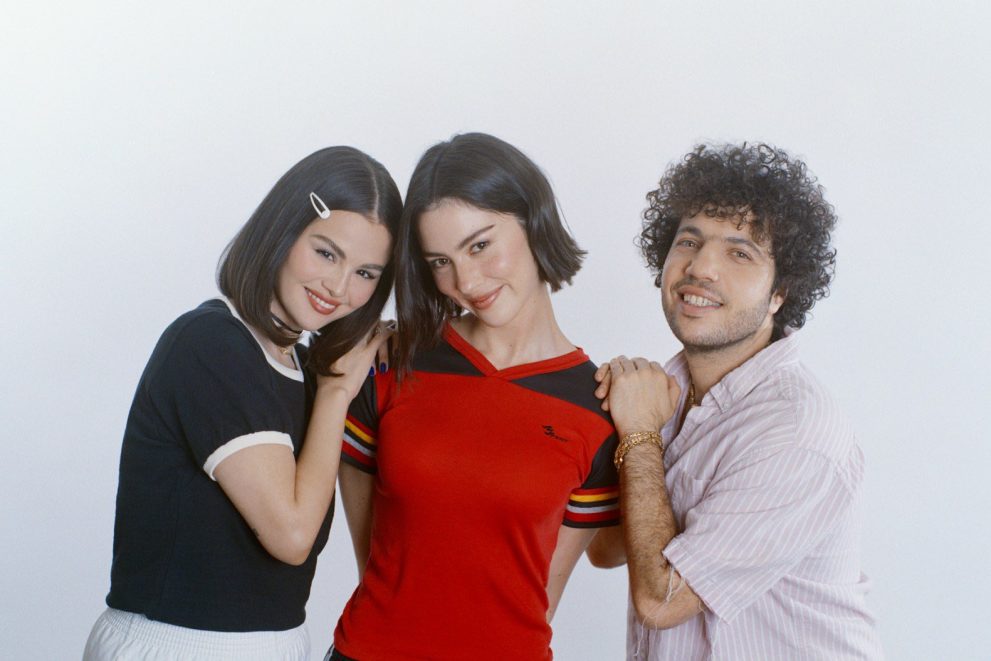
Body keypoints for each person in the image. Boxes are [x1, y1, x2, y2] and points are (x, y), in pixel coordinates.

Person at [84, 146, 402, 661]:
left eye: (366, 273)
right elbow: (291, 535)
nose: (339, 287)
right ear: (284, 229)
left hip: (278, 643)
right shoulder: (211, 344)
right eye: (326, 253)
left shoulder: (305, 368)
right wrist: (338, 390)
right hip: (179, 646)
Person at [328, 132, 620, 660]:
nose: (464, 280)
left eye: (479, 245)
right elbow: (375, 566)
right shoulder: (391, 364)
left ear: (533, 220)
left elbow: (536, 603)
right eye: (439, 261)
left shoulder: (598, 408)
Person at [587, 143, 883, 659]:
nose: (701, 267)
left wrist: (639, 435)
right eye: (689, 241)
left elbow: (661, 601)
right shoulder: (667, 393)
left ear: (780, 293)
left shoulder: (794, 434)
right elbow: (606, 549)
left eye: (740, 253)